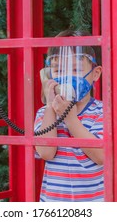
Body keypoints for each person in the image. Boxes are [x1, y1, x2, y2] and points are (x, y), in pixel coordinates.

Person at [34, 29, 104, 202]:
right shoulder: (45, 113)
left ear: (95, 74)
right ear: (48, 75)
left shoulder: (102, 112)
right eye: (58, 71)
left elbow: (101, 156)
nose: (66, 76)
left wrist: (70, 119)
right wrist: (51, 106)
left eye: (75, 69)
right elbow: (46, 152)